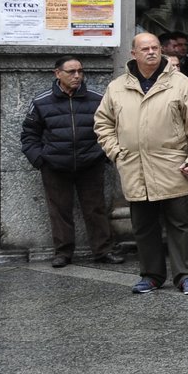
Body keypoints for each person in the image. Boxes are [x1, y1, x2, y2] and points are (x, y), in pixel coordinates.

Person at [93, 32, 188, 295]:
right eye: (144, 48)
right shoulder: (117, 87)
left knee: (181, 225)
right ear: (133, 54)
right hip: (135, 167)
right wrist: (116, 152)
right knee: (144, 226)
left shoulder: (181, 83)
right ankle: (151, 275)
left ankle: (187, 276)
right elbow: (103, 124)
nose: (151, 52)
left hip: (174, 166)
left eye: (155, 47)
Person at [21, 55, 115, 267]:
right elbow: (29, 135)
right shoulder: (41, 101)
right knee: (59, 210)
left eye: (80, 71)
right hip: (55, 165)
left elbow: (111, 129)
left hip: (90, 163)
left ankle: (103, 250)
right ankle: (63, 252)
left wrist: (104, 155)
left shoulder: (96, 99)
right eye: (71, 72)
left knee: (96, 209)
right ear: (57, 74)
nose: (77, 76)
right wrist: (40, 159)